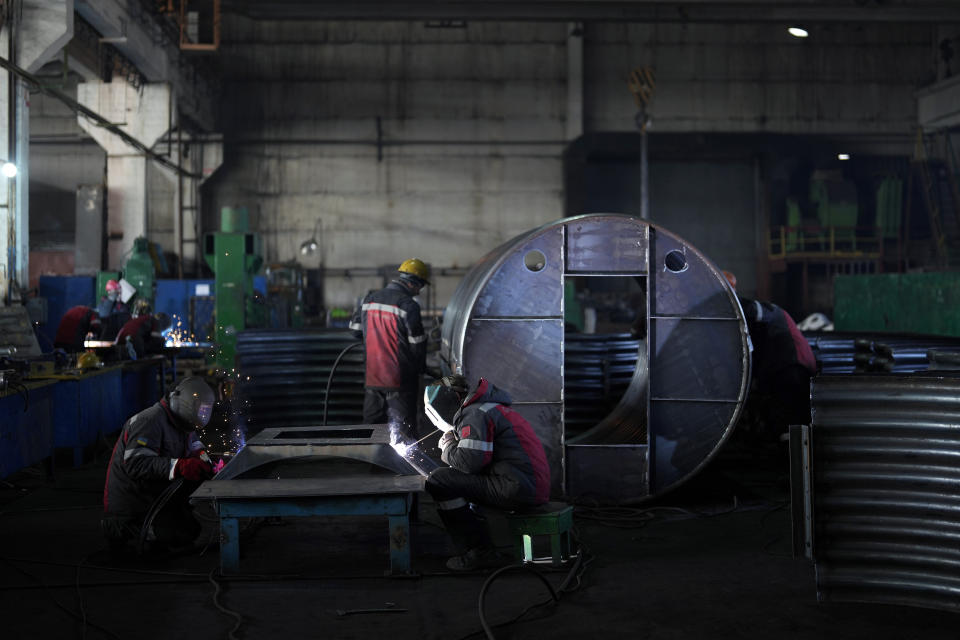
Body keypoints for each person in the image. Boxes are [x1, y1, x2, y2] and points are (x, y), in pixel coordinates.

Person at [423, 375, 551, 570]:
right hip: (525, 484)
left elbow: (468, 463)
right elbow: (479, 460)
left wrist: (448, 445)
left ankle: (479, 552)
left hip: (518, 487)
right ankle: (483, 541)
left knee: (440, 480)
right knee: (455, 478)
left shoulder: (475, 414)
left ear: (449, 399)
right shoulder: (485, 408)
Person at [101, 376, 216, 551]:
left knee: (190, 531)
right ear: (182, 401)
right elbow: (136, 464)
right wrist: (179, 466)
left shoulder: (184, 424)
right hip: (133, 506)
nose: (202, 412)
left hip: (155, 498)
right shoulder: (149, 421)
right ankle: (122, 529)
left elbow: (195, 447)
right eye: (200, 407)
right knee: (171, 539)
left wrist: (206, 461)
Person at [723, 271, 816, 437]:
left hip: (793, 366)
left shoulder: (765, 311)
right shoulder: (759, 322)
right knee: (786, 425)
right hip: (789, 367)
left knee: (789, 426)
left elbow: (751, 313)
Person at [349, 258, 430, 440]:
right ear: (413, 283)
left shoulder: (370, 299)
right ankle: (405, 467)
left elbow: (355, 332)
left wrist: (376, 337)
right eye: (420, 286)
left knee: (371, 428)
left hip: (373, 376)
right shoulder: (408, 305)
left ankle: (369, 463)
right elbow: (418, 344)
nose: (419, 292)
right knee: (404, 430)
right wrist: (420, 369)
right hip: (400, 379)